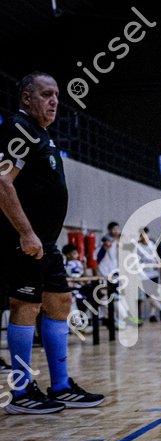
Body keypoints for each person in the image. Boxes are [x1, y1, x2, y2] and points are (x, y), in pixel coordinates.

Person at [0, 71, 104, 413]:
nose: (54, 101)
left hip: (47, 242)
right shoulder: (18, 129)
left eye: (57, 95)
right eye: (46, 94)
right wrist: (26, 233)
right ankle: (20, 392)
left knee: (60, 302)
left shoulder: (39, 133)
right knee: (25, 306)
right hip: (24, 240)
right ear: (26, 98)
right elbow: (2, 182)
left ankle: (60, 386)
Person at [136, 227, 161, 323]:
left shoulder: (153, 244)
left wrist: (158, 264)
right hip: (144, 274)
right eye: (142, 235)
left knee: (154, 295)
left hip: (154, 273)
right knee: (149, 295)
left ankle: (152, 315)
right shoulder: (137, 247)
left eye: (145, 234)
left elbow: (158, 258)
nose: (144, 237)